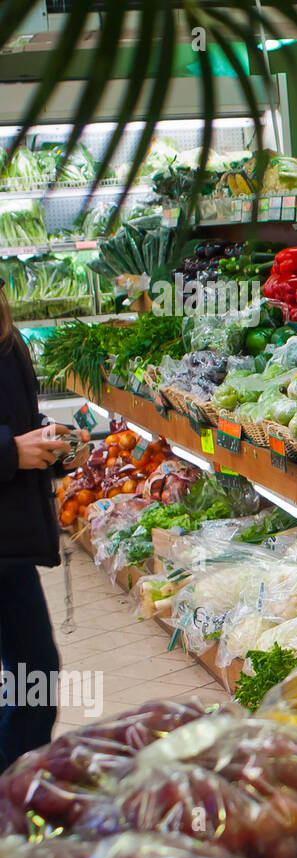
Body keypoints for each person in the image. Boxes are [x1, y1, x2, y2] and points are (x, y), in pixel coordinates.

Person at [0, 286, 87, 769]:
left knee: (36, 675)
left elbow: (18, 420)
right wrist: (12, 452)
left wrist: (56, 446)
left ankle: (22, 791)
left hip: (11, 545)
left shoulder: (10, 343)